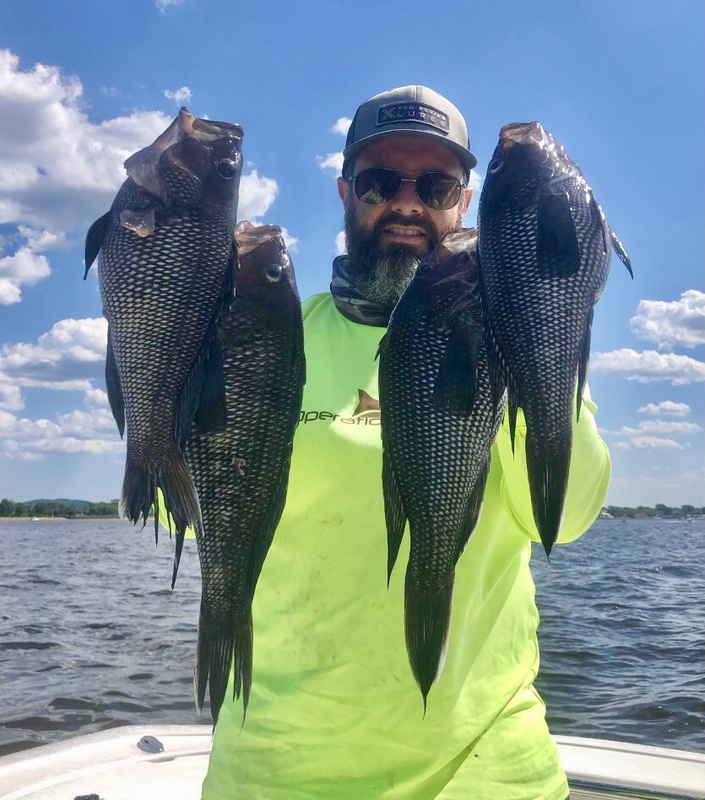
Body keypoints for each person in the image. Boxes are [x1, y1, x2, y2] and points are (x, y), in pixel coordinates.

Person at [199, 85, 610, 799]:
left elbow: (567, 517)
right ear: (344, 192)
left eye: (434, 184)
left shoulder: (517, 342)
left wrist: (546, 322)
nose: (407, 203)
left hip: (486, 773)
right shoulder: (266, 337)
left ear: (465, 199)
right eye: (380, 182)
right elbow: (191, 510)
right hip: (277, 770)